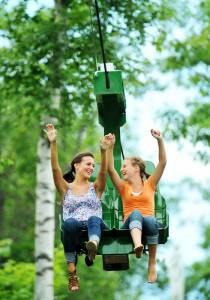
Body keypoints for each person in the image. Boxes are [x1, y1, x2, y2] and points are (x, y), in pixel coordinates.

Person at [45, 123, 109, 292]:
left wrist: (103, 151)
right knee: (68, 223)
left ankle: (93, 243)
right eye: (88, 164)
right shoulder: (66, 188)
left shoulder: (95, 188)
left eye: (93, 165)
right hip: (74, 227)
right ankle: (72, 272)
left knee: (94, 219)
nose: (91, 168)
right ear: (77, 166)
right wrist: (53, 143)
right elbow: (54, 169)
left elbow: (103, 173)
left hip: (94, 226)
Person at [107, 129, 167, 283]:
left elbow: (162, 163)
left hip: (148, 223)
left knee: (151, 220)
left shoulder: (150, 184)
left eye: (125, 166)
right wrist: (110, 147)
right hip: (129, 226)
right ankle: (138, 244)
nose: (122, 169)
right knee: (135, 214)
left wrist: (160, 140)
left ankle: (152, 263)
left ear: (136, 168)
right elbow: (110, 169)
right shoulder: (122, 187)